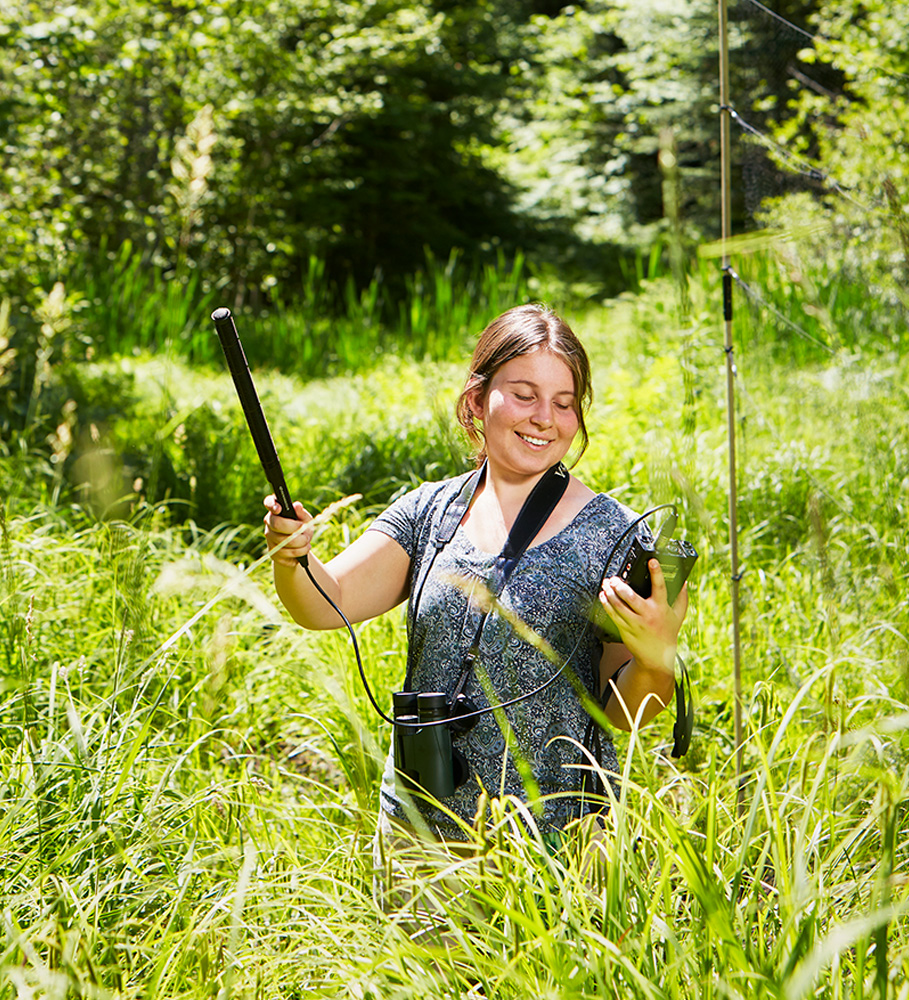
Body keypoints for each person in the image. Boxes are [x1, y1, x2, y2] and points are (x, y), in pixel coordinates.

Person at [263, 303, 688, 847]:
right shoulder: (428, 512)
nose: (544, 418)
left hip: (554, 845)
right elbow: (328, 602)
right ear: (476, 400)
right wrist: (291, 556)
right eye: (525, 394)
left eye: (564, 403)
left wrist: (657, 653)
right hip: (415, 837)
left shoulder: (616, 535)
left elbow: (623, 716)